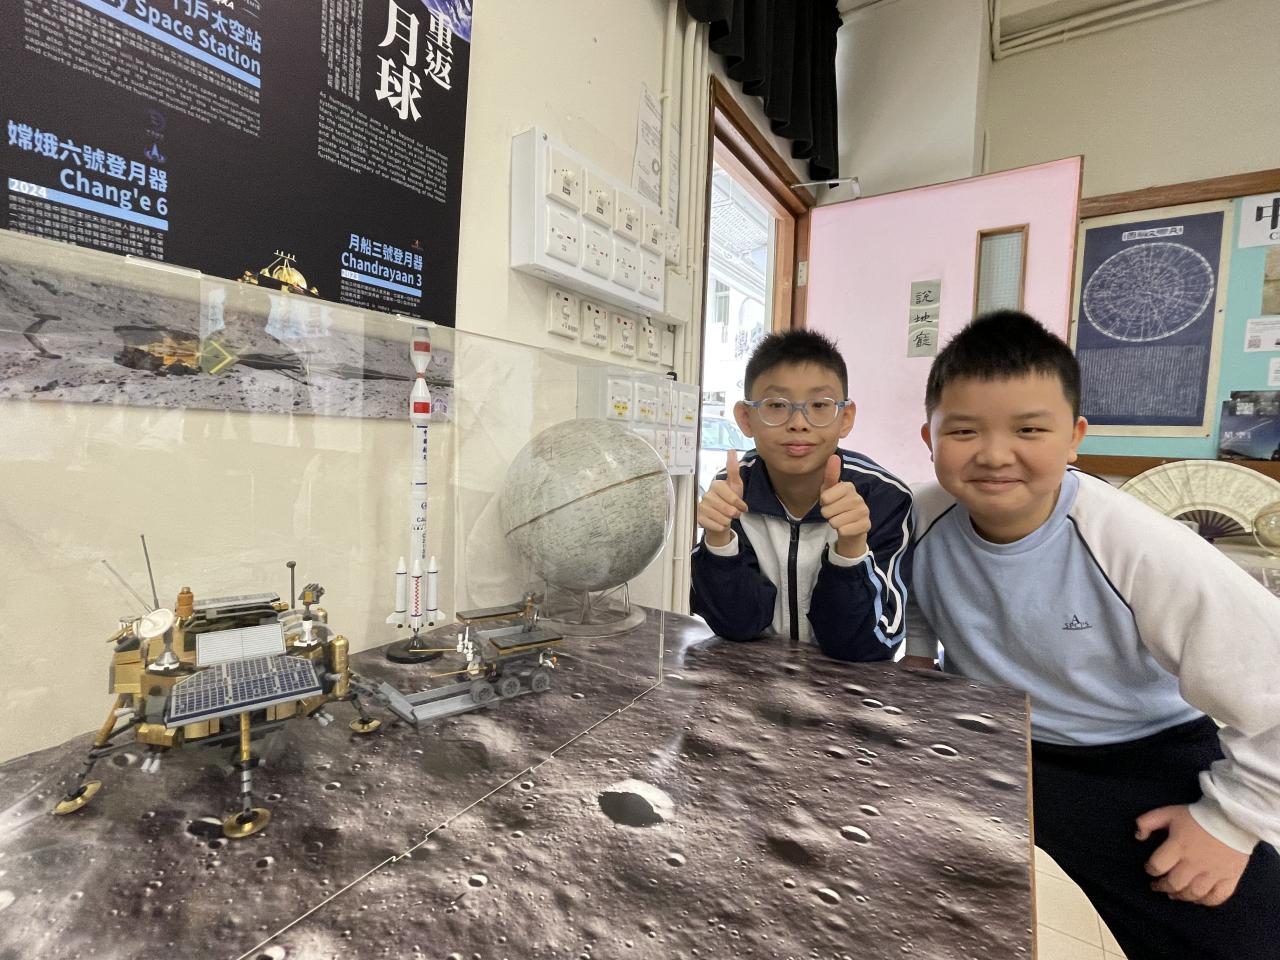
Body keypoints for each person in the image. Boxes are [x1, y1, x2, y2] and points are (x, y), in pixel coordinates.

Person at [904, 310, 1280, 960]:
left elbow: (1271, 680)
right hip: (999, 751)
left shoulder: (1137, 544)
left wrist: (1231, 821)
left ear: (1075, 437)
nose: (994, 454)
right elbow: (909, 598)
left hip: (1142, 751)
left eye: (1029, 429)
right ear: (929, 438)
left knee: (1243, 931)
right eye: (964, 431)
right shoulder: (918, 516)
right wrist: (916, 661)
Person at [690, 329, 912, 661]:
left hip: (853, 687)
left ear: (845, 418)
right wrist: (719, 540)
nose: (798, 423)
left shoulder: (883, 497)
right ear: (746, 418)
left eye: (819, 405)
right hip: (756, 678)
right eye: (776, 405)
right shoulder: (734, 490)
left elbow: (867, 646)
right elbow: (737, 625)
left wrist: (851, 549)